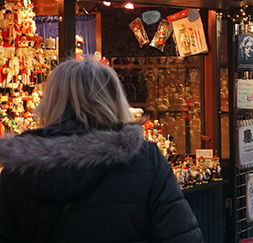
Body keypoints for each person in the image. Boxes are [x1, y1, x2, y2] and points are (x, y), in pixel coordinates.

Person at [0, 58, 203, 242]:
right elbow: (181, 235)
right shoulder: (144, 160)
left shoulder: (16, 172)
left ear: (51, 102)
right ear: (113, 99)